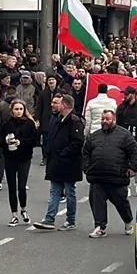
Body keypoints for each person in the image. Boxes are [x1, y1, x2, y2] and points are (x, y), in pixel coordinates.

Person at [82, 109, 137, 238]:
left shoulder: (125, 135)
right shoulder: (94, 136)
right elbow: (85, 152)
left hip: (117, 179)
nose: (104, 121)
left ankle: (128, 220)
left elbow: (134, 153)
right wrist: (87, 168)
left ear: (114, 120)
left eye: (107, 119)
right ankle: (100, 227)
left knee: (122, 204)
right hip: (97, 178)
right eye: (103, 119)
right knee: (97, 204)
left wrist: (132, 169)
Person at [33, 94, 85, 231]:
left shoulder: (75, 121)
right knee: (55, 190)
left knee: (69, 191)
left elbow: (78, 142)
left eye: (59, 103)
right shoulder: (57, 119)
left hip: (69, 163)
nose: (55, 105)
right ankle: (49, 219)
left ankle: (71, 220)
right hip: (56, 162)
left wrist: (64, 153)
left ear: (65, 105)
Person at [0, 99, 38, 226]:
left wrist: (21, 142)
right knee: (12, 187)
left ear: (24, 110)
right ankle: (14, 214)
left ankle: (24, 209)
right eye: (16, 109)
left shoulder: (29, 123)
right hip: (10, 158)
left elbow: (34, 141)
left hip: (24, 157)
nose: (19, 112)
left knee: (21, 186)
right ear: (12, 110)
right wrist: (6, 142)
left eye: (21, 109)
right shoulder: (7, 124)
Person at [115, 86, 137, 197]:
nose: (124, 96)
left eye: (126, 94)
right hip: (124, 139)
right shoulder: (121, 108)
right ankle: (127, 185)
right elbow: (117, 124)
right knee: (124, 162)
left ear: (133, 95)